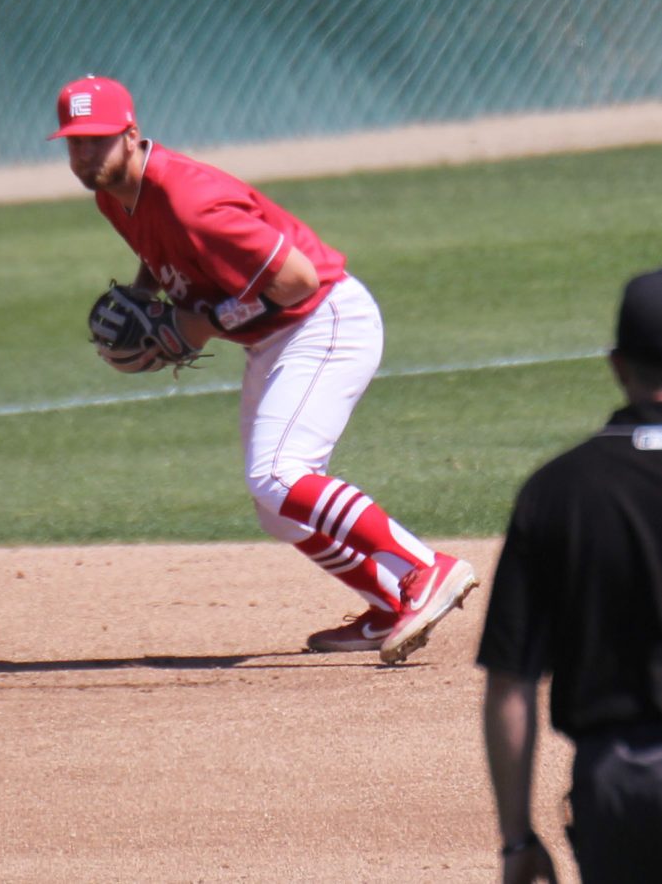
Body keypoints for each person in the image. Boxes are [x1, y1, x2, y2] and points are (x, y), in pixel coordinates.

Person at [50, 75, 478, 663]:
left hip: (324, 320)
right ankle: (386, 602)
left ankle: (426, 569)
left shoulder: (188, 198)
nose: (84, 154)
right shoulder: (113, 193)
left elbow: (297, 280)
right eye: (74, 142)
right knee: (275, 508)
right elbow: (156, 250)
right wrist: (149, 304)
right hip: (275, 338)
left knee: (280, 474)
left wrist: (195, 326)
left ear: (131, 134)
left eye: (97, 140)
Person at [477, 269, 662, 883]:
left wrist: (515, 841)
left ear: (617, 365)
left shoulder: (559, 490)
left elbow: (511, 685)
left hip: (622, 785)